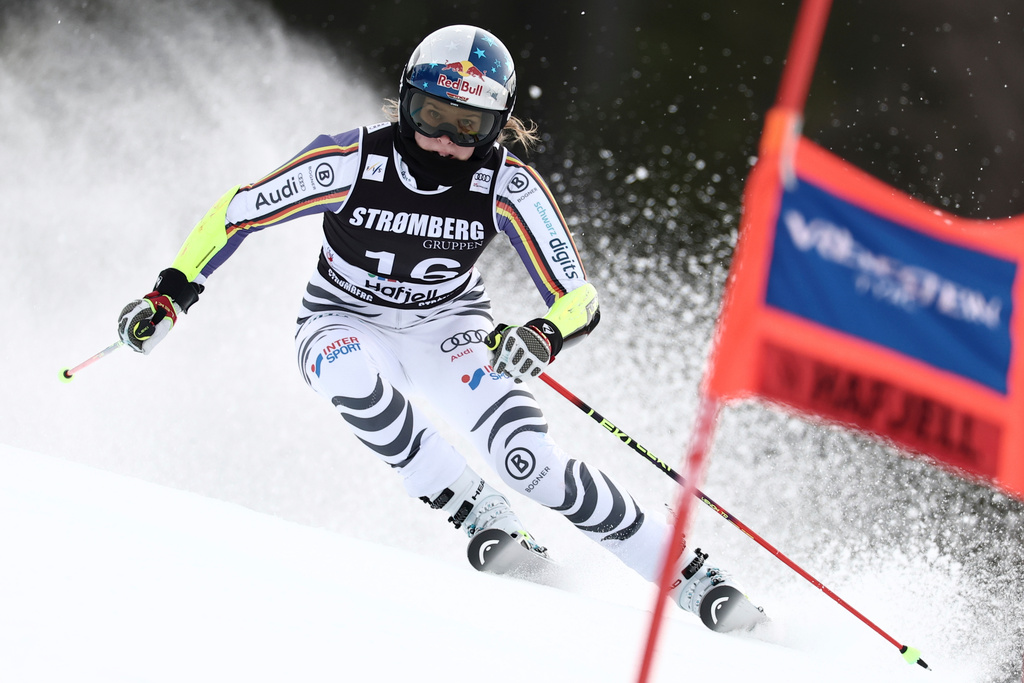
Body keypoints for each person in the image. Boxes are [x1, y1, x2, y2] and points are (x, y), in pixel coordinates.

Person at [116, 24, 765, 632]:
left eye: (470, 126)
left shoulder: (505, 184)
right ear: (406, 101)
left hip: (447, 330)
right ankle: (477, 510)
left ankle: (694, 576)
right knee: (352, 375)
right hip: (341, 319)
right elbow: (238, 212)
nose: (446, 142)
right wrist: (171, 294)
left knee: (529, 462)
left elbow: (579, 297)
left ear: (497, 124)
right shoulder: (352, 161)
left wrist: (542, 334)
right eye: (431, 117)